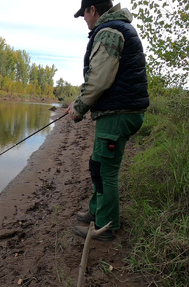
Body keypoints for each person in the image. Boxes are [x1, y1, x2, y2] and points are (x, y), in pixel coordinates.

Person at [68, 0, 149, 241]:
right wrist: (79, 101)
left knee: (106, 171)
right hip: (118, 112)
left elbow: (100, 80)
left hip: (119, 113)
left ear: (93, 9)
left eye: (83, 13)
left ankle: (106, 227)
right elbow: (102, 79)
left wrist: (79, 108)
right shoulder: (116, 28)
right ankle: (96, 212)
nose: (83, 19)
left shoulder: (109, 31)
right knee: (98, 165)